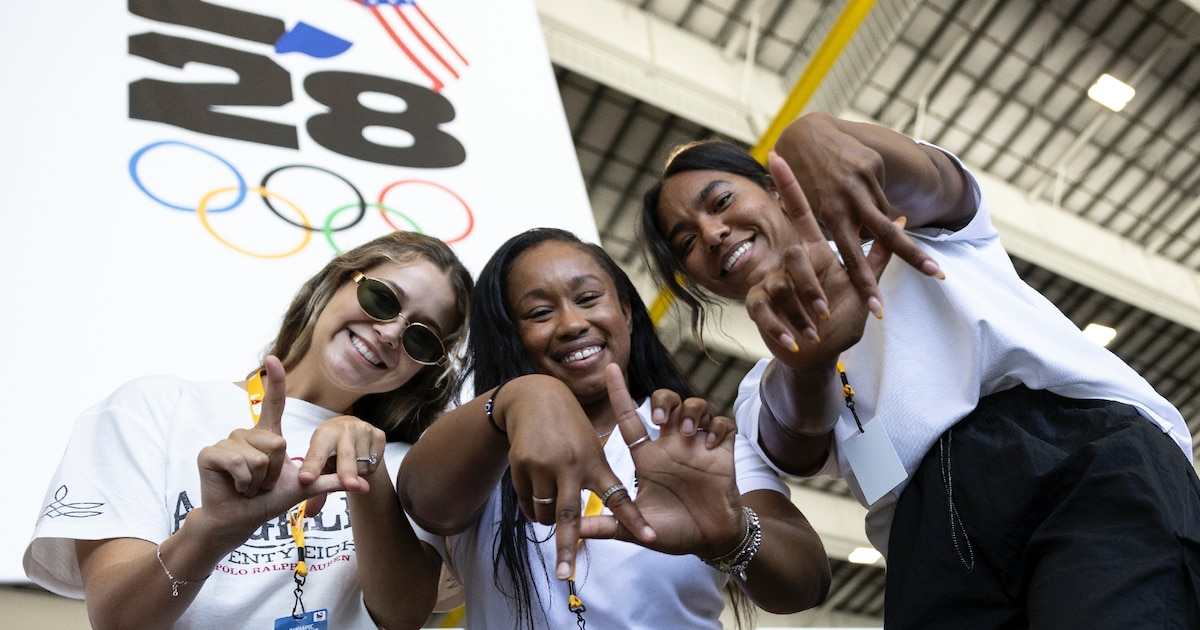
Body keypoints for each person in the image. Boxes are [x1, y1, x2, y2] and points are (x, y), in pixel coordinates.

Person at [640, 112, 1200, 628]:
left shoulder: (901, 226)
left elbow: (939, 183)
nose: (711, 234)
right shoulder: (759, 386)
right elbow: (796, 443)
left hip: (1075, 455)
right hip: (927, 536)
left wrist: (814, 134)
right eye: (687, 241)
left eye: (720, 202)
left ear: (772, 187)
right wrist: (807, 360)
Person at [24, 230, 473, 629]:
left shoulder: (407, 465)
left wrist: (370, 477)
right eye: (382, 299)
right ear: (334, 283)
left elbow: (405, 618)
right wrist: (211, 533)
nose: (392, 332)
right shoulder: (154, 408)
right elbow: (118, 619)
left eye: (421, 338)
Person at [396, 228, 830, 629]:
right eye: (540, 312)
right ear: (510, 335)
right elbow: (424, 502)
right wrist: (519, 396)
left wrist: (731, 533)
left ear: (625, 310)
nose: (571, 324)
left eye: (587, 298)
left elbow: (807, 584)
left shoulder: (697, 443)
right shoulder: (480, 447)